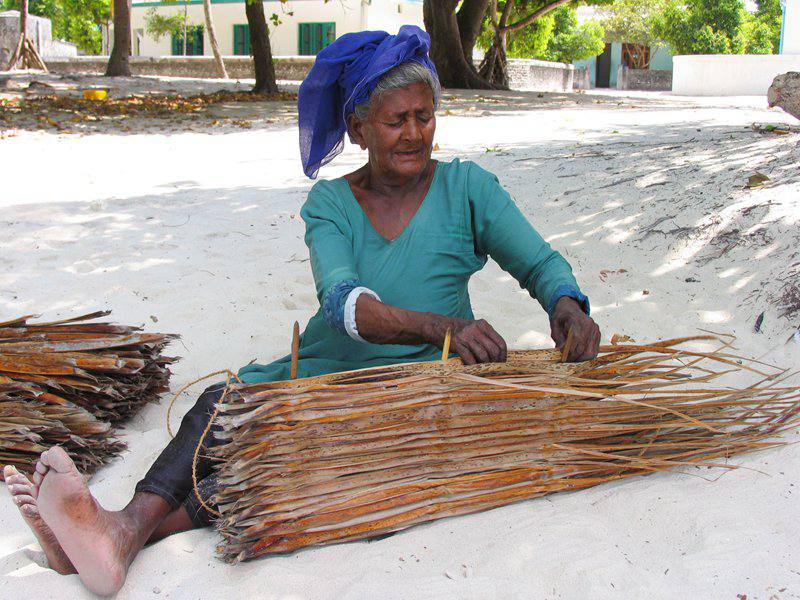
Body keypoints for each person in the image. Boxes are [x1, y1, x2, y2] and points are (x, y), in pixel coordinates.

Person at [3, 25, 600, 595]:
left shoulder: (469, 189)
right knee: (225, 411)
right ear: (359, 130)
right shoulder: (331, 203)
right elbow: (344, 306)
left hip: (421, 386)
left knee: (275, 466)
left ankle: (112, 537)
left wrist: (566, 307)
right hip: (321, 371)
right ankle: (119, 531)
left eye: (425, 116)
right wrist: (449, 326)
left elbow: (540, 264)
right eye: (396, 121)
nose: (415, 134)